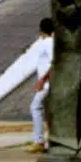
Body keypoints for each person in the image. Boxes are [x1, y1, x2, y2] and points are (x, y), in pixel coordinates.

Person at [26, 18, 55, 153]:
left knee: (35, 107)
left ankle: (39, 141)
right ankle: (51, 140)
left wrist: (43, 80)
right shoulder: (48, 42)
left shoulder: (48, 43)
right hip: (47, 83)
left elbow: (54, 63)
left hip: (47, 84)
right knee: (48, 112)